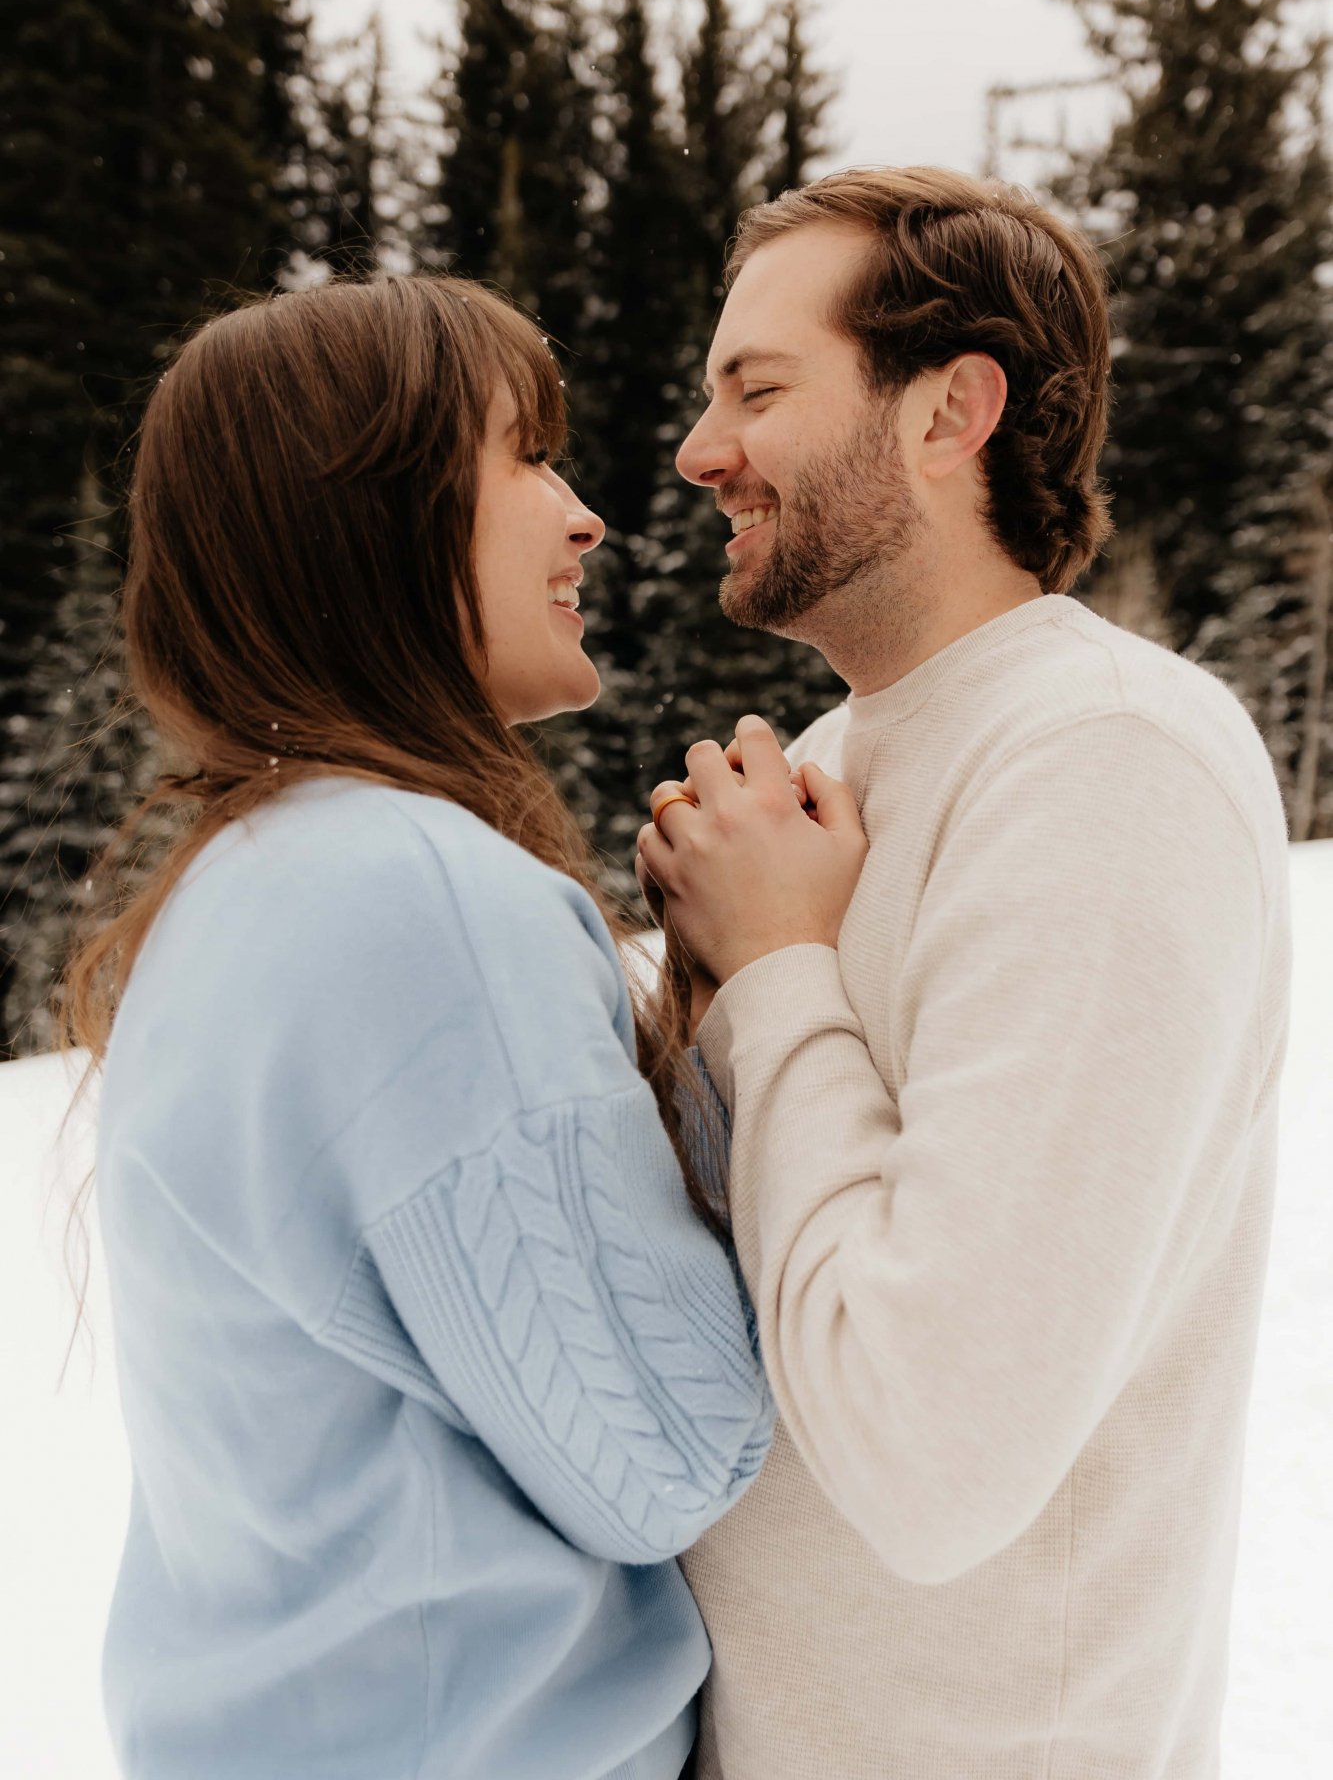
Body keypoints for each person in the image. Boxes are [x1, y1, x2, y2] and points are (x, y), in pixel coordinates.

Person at [67, 276, 862, 1780]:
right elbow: (668, 1454)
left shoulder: (246, 877)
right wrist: (762, 973)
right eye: (524, 459)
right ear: (372, 515)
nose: (585, 519)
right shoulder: (418, 896)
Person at [638, 168, 1292, 1780]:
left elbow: (935, 1454)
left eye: (758, 390)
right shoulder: (824, 768)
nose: (698, 450)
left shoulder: (1108, 761)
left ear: (951, 413)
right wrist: (698, 1007)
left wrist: (780, 963)